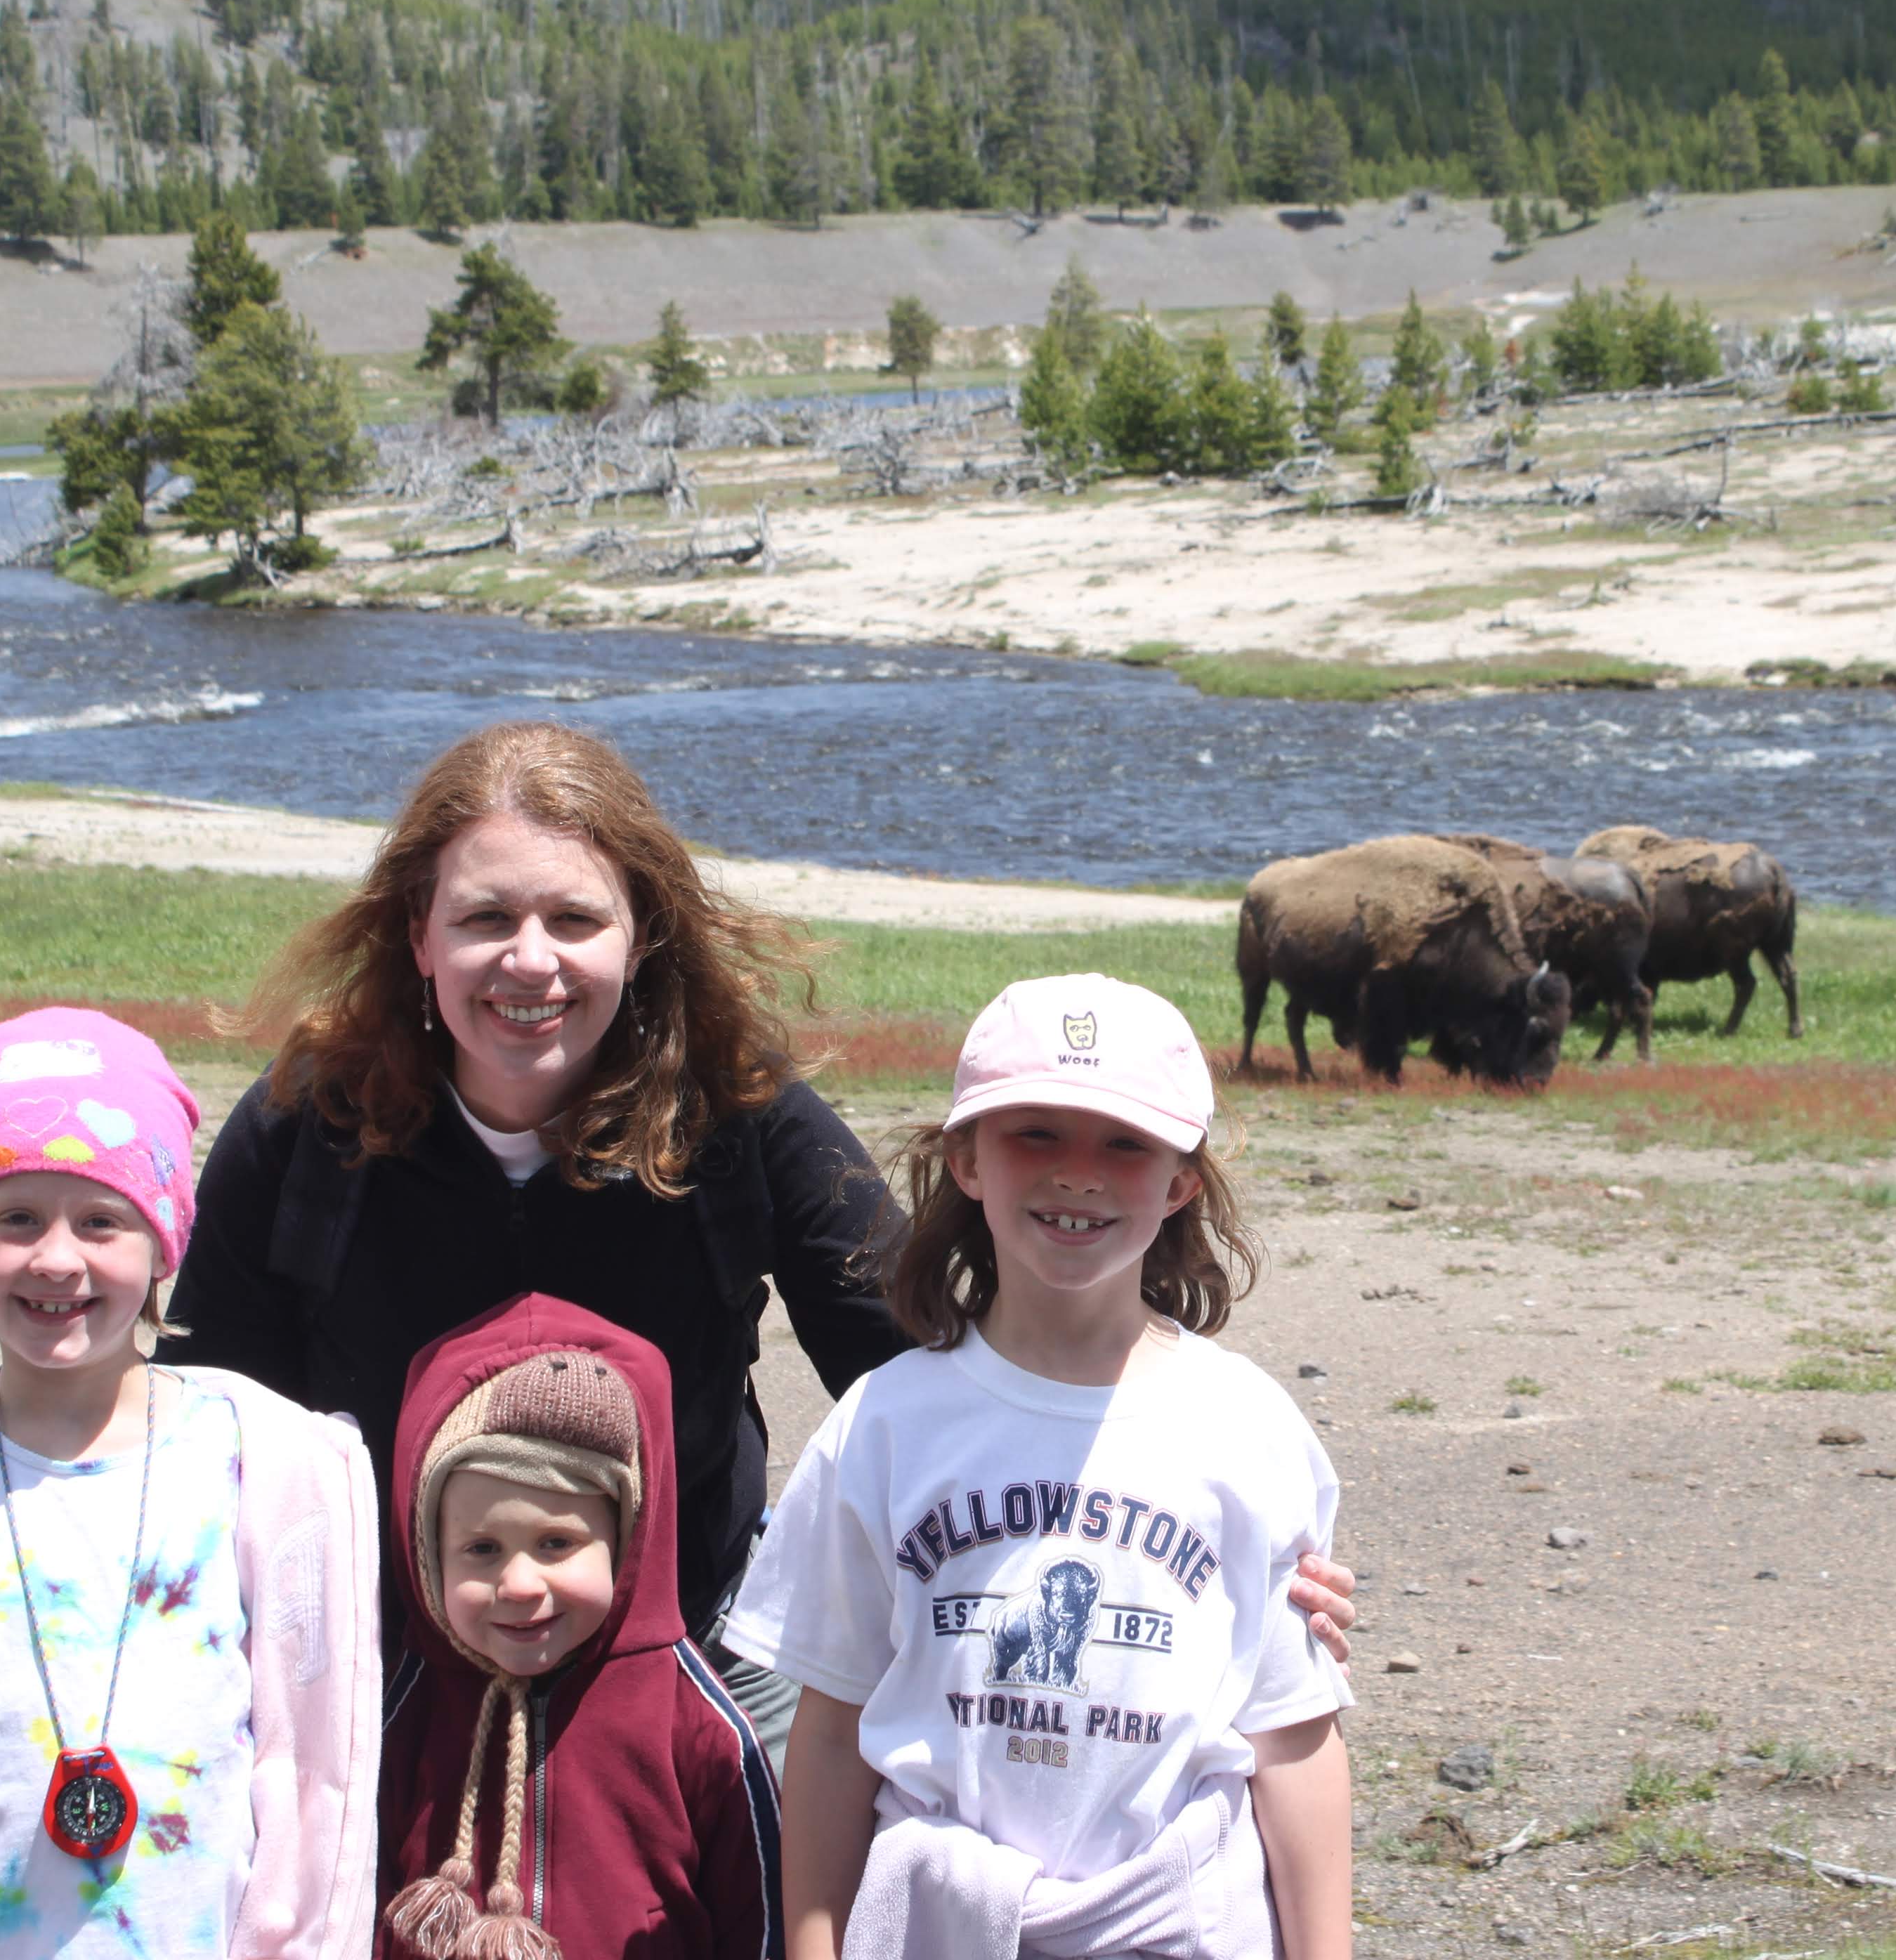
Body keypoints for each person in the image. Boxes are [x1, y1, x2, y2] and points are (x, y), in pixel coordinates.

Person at [159, 721, 1354, 1770]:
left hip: (699, 1634)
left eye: (575, 917)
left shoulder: (737, 1117)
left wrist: (1207, 1533)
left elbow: (935, 1362)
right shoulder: (308, 1127)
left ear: (641, 942)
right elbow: (205, 1412)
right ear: (418, 936)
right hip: (383, 1646)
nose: (531, 959)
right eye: (485, 918)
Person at [724, 975, 1353, 1960]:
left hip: (1172, 1924)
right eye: (1037, 1135)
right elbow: (834, 1731)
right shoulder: (885, 1424)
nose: (1080, 1175)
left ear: (1183, 1178)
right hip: (938, 1923)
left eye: (1125, 1144)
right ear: (967, 1159)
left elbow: (1292, 1739)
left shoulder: (1249, 1428)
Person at [0, 1008, 381, 1960]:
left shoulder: (269, 1467)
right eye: (16, 1218)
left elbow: (315, 1784)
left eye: (101, 1221)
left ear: (164, 1241)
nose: (58, 1259)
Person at [377, 1295, 771, 1960]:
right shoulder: (403, 1714)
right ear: (425, 1555)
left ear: (624, 1540)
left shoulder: (695, 1724)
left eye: (557, 1543)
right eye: (481, 1550)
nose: (521, 1584)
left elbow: (761, 1922)